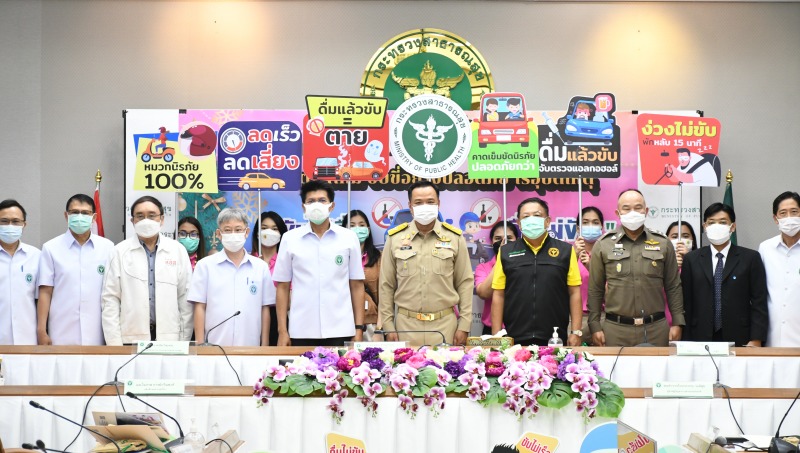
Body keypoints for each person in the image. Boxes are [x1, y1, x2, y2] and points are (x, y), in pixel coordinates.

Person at [380, 181, 473, 346]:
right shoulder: (394, 238)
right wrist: (388, 326)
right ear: (410, 206)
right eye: (418, 202)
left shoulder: (455, 238)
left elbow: (465, 283)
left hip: (445, 326)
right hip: (405, 326)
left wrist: (464, 325)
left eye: (430, 202)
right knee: (404, 371)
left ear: (439, 204)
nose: (425, 206)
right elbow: (386, 285)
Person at [272, 180, 365, 347]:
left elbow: (357, 285)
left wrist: (359, 329)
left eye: (322, 200)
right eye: (311, 201)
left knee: (340, 373)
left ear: (331, 206)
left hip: (342, 329)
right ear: (303, 207)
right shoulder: (290, 239)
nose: (316, 205)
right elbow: (283, 287)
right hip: (301, 330)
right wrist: (282, 331)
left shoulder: (348, 238)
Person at [588, 189, 684, 347]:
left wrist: (678, 322)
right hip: (615, 330)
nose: (632, 212)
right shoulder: (603, 244)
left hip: (656, 329)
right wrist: (595, 325)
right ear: (618, 213)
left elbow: (673, 286)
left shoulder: (663, 243)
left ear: (646, 211)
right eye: (626, 208)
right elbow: (595, 289)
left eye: (638, 207)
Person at [101, 196, 193, 345]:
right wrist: (114, 344)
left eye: (151, 216)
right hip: (130, 339)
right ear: (132, 221)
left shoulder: (177, 250)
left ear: (162, 219)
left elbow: (185, 299)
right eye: (140, 216)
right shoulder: (119, 251)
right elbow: (110, 300)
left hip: (170, 340)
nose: (146, 220)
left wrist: (183, 341)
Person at [491, 198, 583, 346]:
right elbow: (498, 294)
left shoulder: (566, 251)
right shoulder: (506, 252)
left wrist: (576, 331)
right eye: (526, 217)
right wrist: (496, 335)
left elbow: (574, 292)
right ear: (519, 223)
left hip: (555, 338)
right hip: (515, 337)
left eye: (537, 215)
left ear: (547, 221)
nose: (531, 220)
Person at [681, 203, 767, 346]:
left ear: (732, 227)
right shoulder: (692, 259)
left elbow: (759, 302)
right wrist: (686, 339)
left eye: (722, 222)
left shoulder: (750, 258)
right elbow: (686, 303)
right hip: (699, 336)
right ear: (704, 227)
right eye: (711, 222)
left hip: (740, 336)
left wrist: (756, 339)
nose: (717, 226)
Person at [36, 194, 115, 345]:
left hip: (98, 331)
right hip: (61, 331)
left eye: (85, 213)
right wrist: (41, 330)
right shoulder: (51, 248)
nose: (80, 216)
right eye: (74, 212)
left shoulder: (108, 247)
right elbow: (45, 291)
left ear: (94, 217)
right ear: (66, 216)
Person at [189, 208, 273, 346]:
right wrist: (200, 344)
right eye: (227, 230)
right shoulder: (205, 266)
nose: (233, 234)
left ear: (246, 232)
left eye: (238, 229)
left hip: (251, 347)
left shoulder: (260, 267)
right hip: (214, 346)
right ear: (219, 234)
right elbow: (199, 306)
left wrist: (264, 345)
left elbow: (265, 308)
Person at [759, 191, 800, 347]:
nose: (789, 217)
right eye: (783, 213)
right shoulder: (765, 248)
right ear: (776, 219)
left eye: (794, 212)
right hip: (772, 340)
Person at [0, 199, 39, 345]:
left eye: (16, 221)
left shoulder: (37, 256)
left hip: (28, 340)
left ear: (24, 225)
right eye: (4, 221)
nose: (10, 226)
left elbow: (41, 300)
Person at [474, 221, 519, 335]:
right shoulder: (483, 267)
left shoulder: (524, 266)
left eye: (509, 238)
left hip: (520, 329)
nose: (503, 242)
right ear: (492, 241)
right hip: (491, 330)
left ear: (517, 240)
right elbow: (484, 293)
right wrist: (501, 259)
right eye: (498, 238)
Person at [344, 209, 382, 341]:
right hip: (343, 323)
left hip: (371, 323)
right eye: (352, 226)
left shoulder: (378, 258)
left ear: (368, 229)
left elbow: (385, 294)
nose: (357, 229)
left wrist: (380, 328)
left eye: (361, 225)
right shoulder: (337, 257)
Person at [251, 210, 288, 346]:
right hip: (250, 316)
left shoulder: (285, 263)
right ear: (256, 233)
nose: (269, 232)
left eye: (274, 229)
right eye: (264, 228)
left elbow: (289, 298)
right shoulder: (247, 261)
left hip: (277, 317)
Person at [572, 206, 605, 345]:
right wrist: (573, 255)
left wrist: (591, 267)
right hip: (574, 318)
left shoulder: (608, 253)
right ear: (578, 228)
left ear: (602, 227)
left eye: (595, 222)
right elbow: (558, 283)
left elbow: (614, 286)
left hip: (601, 317)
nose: (590, 226)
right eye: (585, 222)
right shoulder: (568, 253)